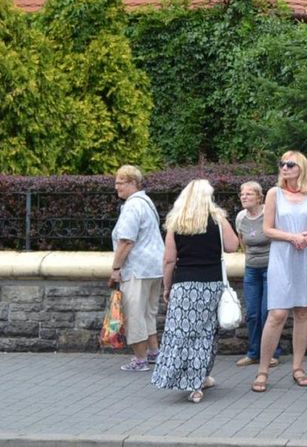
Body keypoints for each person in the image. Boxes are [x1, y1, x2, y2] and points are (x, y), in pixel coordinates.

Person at [150, 179, 238, 403]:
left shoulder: (176, 222)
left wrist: (167, 287)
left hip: (184, 285)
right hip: (211, 285)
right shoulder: (217, 220)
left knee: (180, 334)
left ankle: (181, 378)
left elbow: (169, 260)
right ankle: (198, 381)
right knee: (205, 334)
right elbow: (232, 245)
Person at [251, 151, 307, 393]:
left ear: (301, 168)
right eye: (282, 164)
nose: (284, 168)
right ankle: (263, 370)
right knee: (277, 313)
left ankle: (298, 367)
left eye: (290, 164)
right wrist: (292, 237)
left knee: (303, 311)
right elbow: (267, 229)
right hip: (282, 256)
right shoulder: (274, 193)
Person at [108, 165, 164, 372]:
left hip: (137, 269)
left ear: (132, 183)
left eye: (120, 183)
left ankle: (140, 360)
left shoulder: (132, 206)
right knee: (149, 312)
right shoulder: (147, 202)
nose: (116, 187)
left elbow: (126, 241)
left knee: (134, 313)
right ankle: (154, 353)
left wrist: (116, 268)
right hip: (154, 267)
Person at [234, 181, 280, 368]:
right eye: (242, 194)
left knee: (266, 313)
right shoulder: (240, 217)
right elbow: (242, 243)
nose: (244, 197)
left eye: (249, 194)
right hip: (251, 269)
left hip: (271, 268)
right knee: (252, 313)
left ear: (259, 197)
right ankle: (253, 353)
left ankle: (272, 353)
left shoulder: (269, 214)